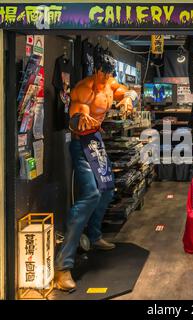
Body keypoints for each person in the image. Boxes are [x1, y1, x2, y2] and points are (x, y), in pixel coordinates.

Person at [54, 49, 138, 291]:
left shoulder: (110, 84)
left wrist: (128, 99)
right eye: (103, 74)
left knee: (108, 189)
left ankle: (94, 235)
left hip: (97, 143)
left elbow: (126, 91)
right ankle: (63, 266)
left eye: (109, 75)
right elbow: (74, 117)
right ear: (96, 70)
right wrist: (80, 118)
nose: (106, 79)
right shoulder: (84, 89)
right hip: (82, 144)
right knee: (90, 194)